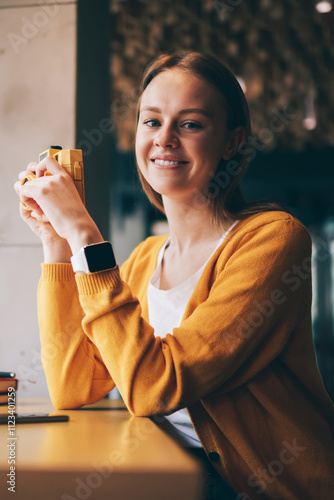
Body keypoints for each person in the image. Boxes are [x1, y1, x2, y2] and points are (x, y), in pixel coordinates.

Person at [15, 50, 334, 500]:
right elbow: (74, 385)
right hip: (166, 463)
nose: (164, 139)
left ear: (231, 141)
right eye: (151, 121)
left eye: (190, 123)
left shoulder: (274, 240)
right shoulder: (146, 258)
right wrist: (57, 241)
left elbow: (154, 387)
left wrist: (85, 234)